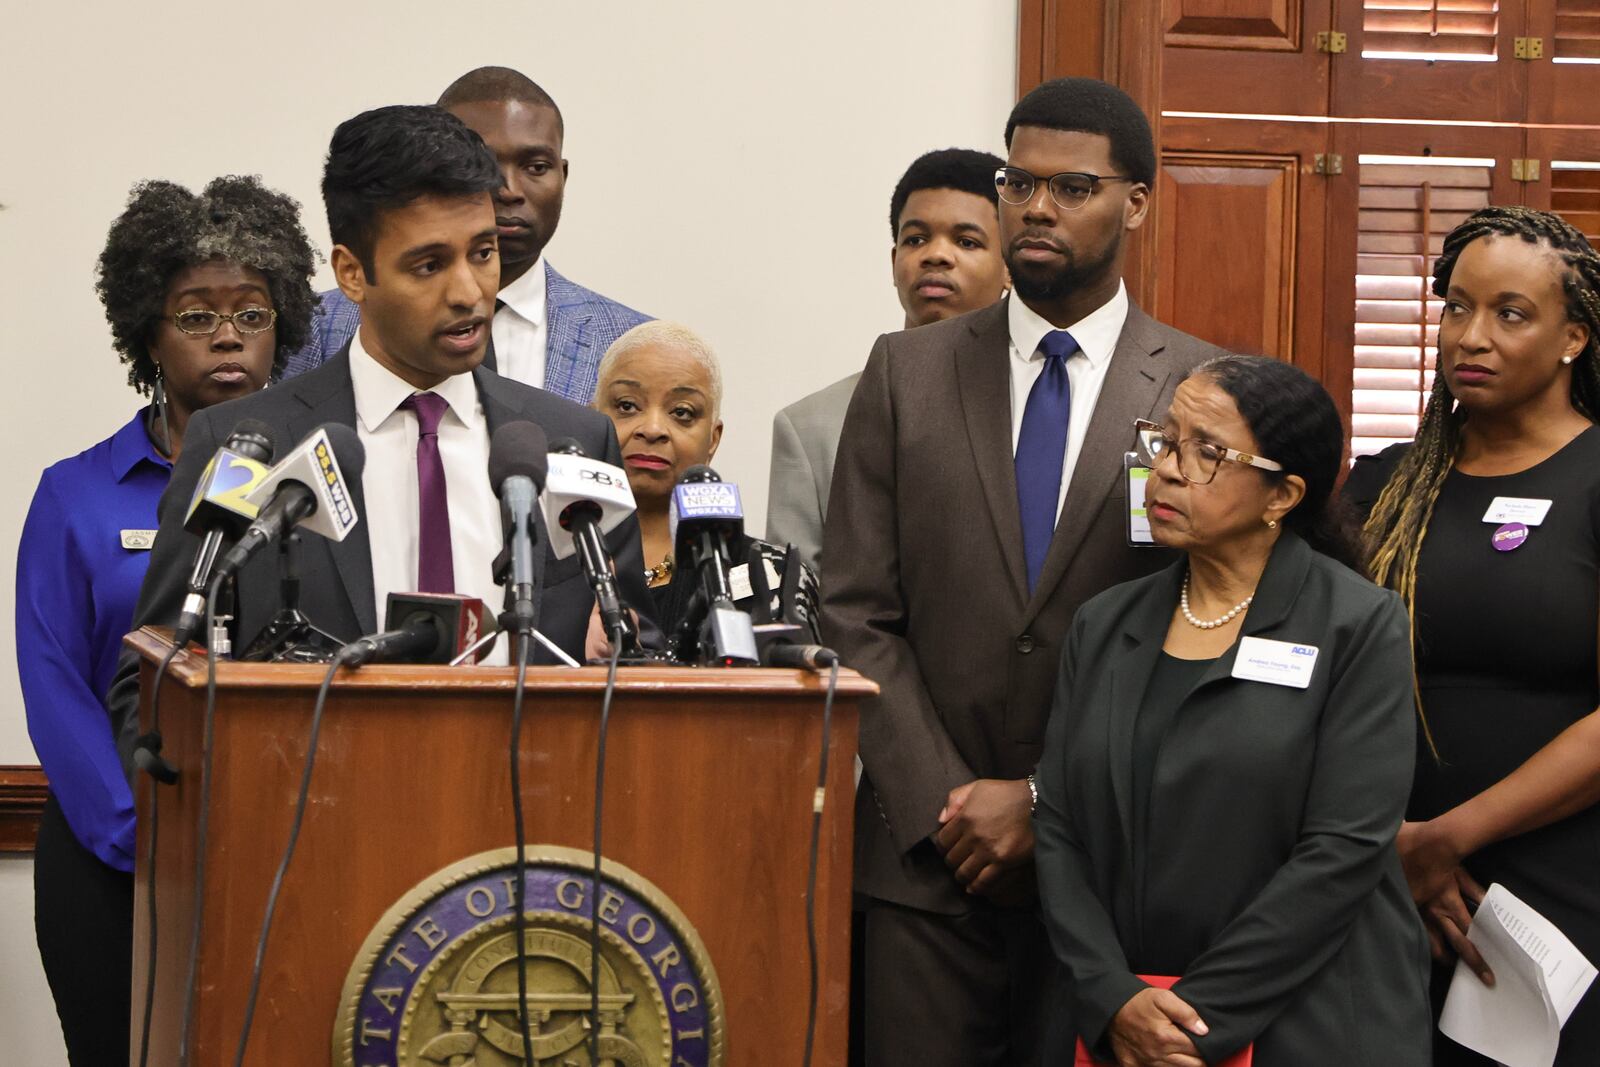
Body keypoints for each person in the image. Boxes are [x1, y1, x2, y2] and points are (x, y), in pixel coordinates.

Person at [821, 77, 1228, 1065]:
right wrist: (947, 804)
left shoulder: (1198, 387)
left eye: (1073, 186)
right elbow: (853, 607)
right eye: (1020, 182)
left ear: (1135, 201)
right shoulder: (904, 372)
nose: (1037, 207)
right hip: (924, 868)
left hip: (1110, 867)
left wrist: (1043, 801)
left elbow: (1205, 619)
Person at [107, 105, 654, 767]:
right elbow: (153, 687)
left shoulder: (573, 443)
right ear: (352, 272)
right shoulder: (249, 446)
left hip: (526, 840)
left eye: (483, 253)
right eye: (428, 265)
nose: (469, 292)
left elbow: (633, 671)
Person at [1036, 355, 1432, 1067]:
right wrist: (1113, 997)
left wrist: (1190, 1022)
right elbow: (1059, 825)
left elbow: (1343, 851)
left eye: (1208, 452)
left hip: (1312, 1019)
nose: (1168, 470)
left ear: (1282, 495)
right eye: (1165, 440)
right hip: (1123, 1016)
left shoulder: (1358, 625)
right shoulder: (1103, 624)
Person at [17, 175, 314, 1065]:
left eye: (252, 311)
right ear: (148, 330)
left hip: (276, 852)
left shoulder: (312, 490)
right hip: (114, 860)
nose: (228, 334)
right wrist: (138, 833)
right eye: (196, 314)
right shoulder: (76, 494)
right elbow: (55, 684)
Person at [1348, 206, 1600, 1065]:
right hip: (1378, 873)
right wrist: (1392, 845)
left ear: (1574, 337)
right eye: (1457, 307)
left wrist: (1447, 838)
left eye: (1510, 313)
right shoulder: (1385, 483)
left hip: (1553, 887)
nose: (1471, 335)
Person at [282, 66, 650, 401]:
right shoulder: (309, 328)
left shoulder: (634, 343)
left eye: (535, 166)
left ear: (563, 175)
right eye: (485, 165)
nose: (508, 190)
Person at [766, 147, 1008, 572]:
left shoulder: (1043, 407)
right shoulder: (810, 428)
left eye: (966, 241)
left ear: (1010, 268)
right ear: (894, 261)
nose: (936, 255)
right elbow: (794, 614)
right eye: (915, 239)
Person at [593, 320, 818, 645]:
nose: (653, 428)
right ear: (589, 418)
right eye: (627, 406)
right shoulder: (546, 563)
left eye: (682, 412)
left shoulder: (771, 576)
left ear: (713, 439)